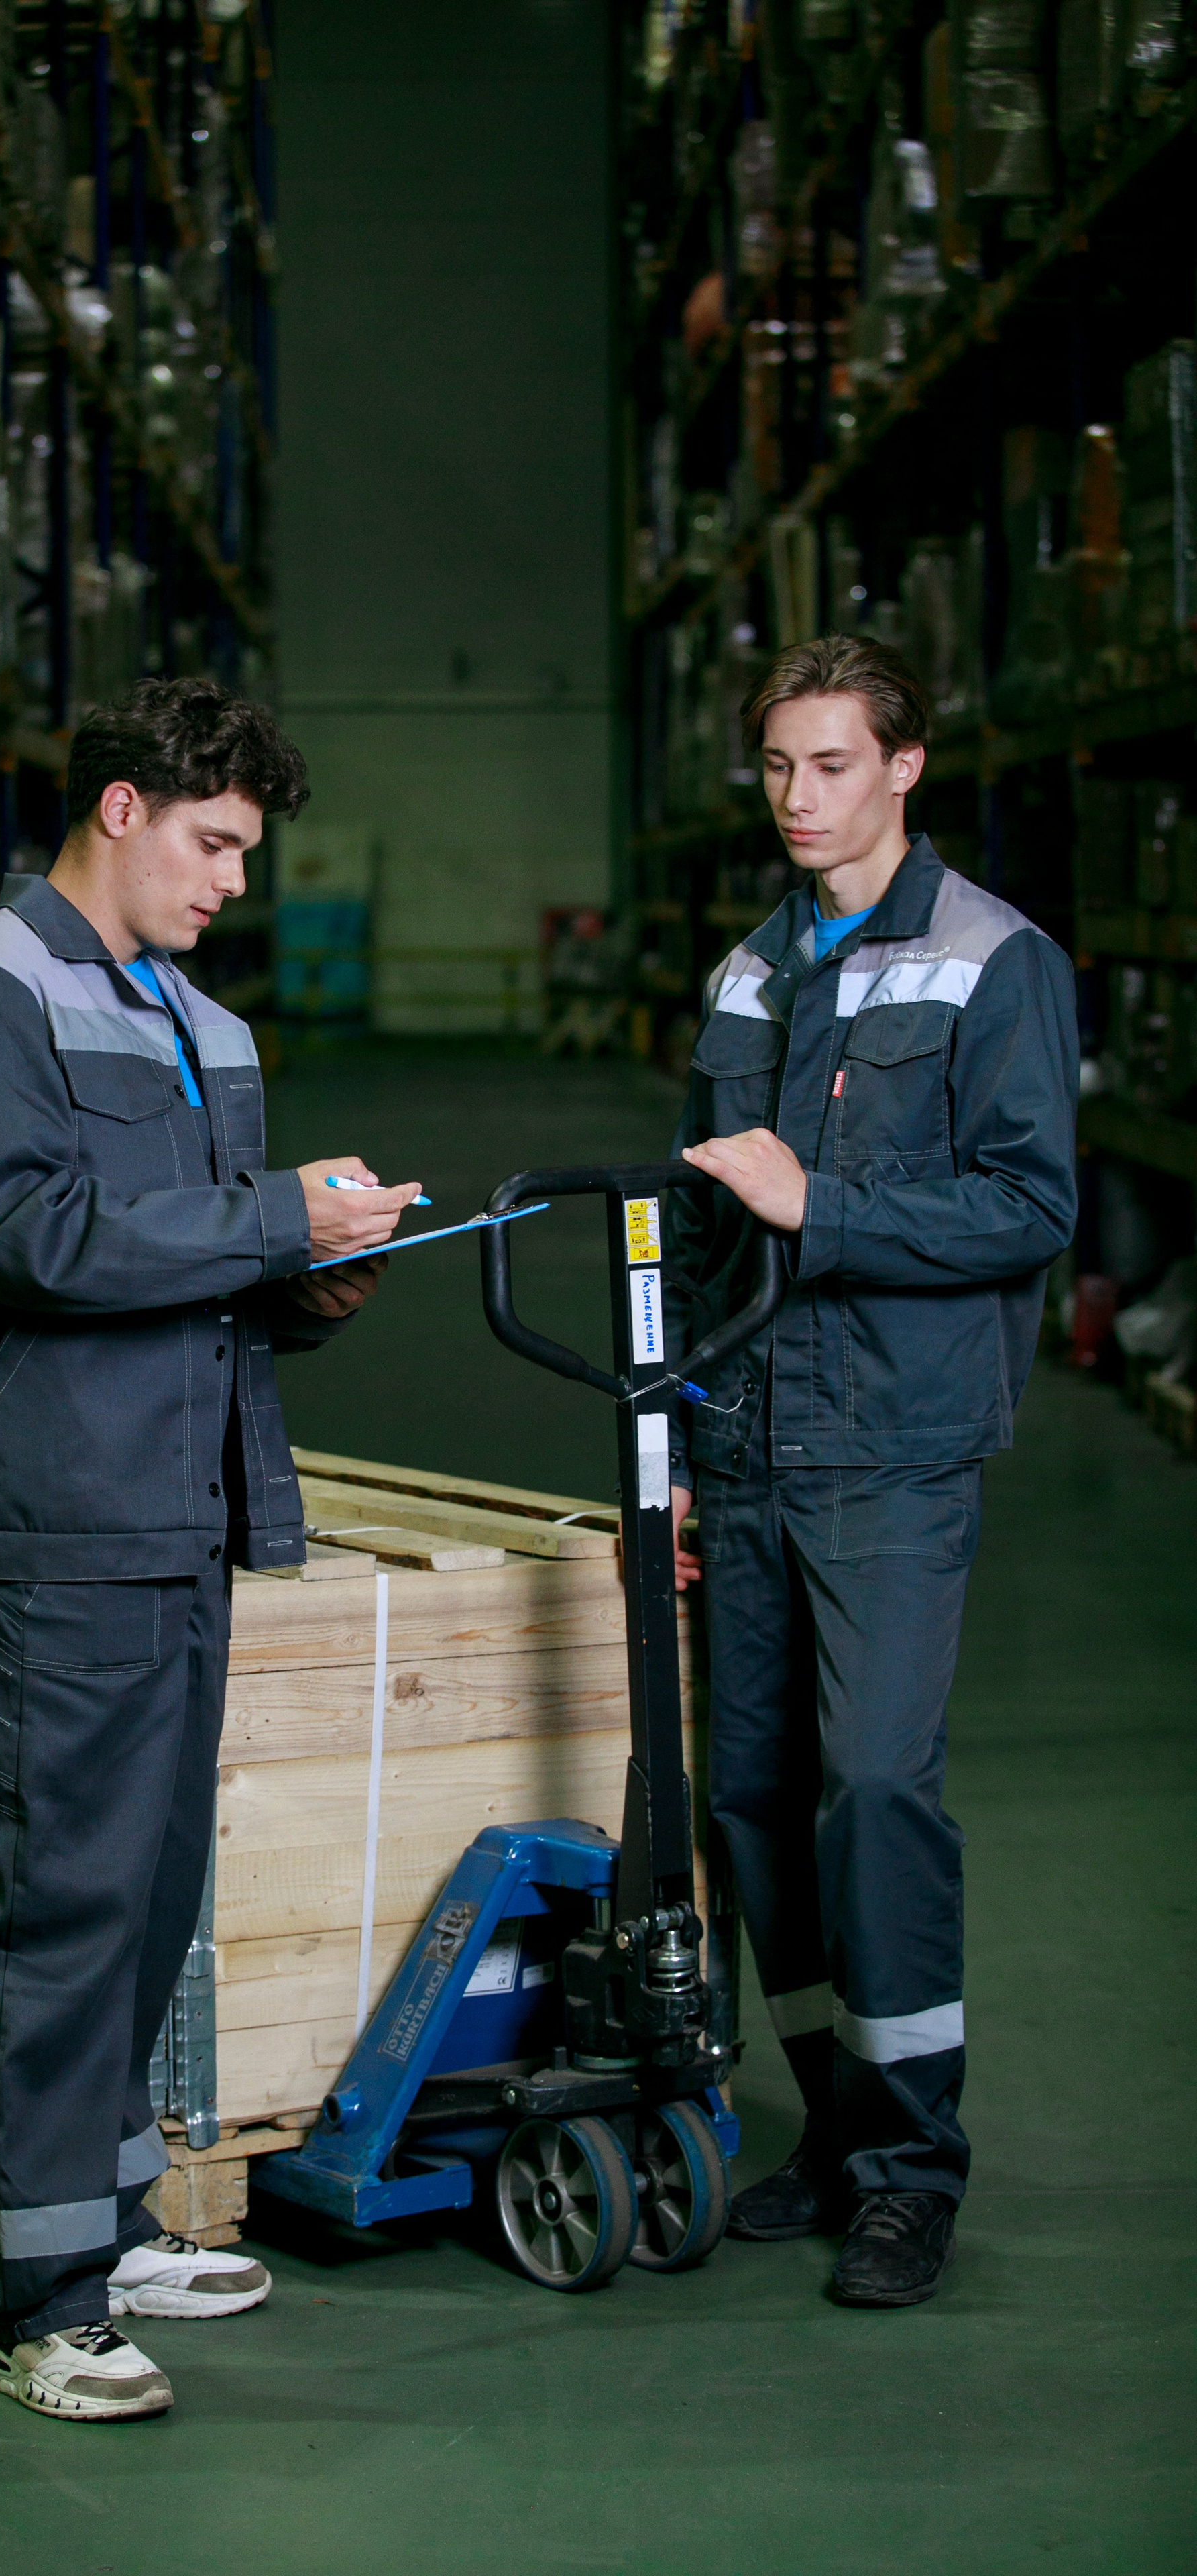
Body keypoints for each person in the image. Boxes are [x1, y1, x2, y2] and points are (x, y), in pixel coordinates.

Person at [0, 678, 421, 2420]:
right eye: (212, 846)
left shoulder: (204, 1021)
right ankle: (27, 2299)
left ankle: (100, 2232)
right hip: (49, 1523)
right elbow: (26, 1236)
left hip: (180, 1515)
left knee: (141, 1904)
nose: (231, 887)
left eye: (247, 855)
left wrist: (314, 1275)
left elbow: (199, 1272)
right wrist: (271, 1217)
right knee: (51, 1903)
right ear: (120, 809)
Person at [663, 633, 1078, 2308]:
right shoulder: (745, 975)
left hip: (893, 1449)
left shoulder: (990, 963)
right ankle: (830, 2126)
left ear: (904, 767)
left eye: (830, 765)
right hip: (752, 1442)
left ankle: (913, 2167)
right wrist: (681, 1442)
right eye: (774, 767)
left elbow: (1028, 1209)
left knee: (878, 1794)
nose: (796, 799)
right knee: (752, 1799)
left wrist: (818, 1207)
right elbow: (701, 1233)